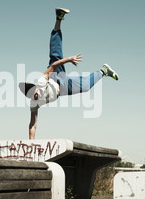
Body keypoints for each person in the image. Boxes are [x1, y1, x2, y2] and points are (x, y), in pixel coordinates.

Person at [19, 8, 119, 139]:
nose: (37, 95)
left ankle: (58, 18)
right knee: (86, 87)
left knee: (55, 55)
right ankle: (103, 71)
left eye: (36, 92)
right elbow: (33, 124)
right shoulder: (33, 104)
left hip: (56, 76)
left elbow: (54, 66)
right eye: (34, 96)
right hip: (63, 89)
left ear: (35, 88)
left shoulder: (40, 83)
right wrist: (31, 143)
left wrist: (69, 60)